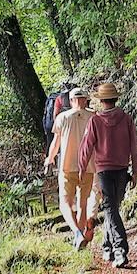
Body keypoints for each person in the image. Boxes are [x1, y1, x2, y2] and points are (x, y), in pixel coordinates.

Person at [78, 81, 137, 269]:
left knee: (111, 209)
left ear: (101, 100)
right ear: (115, 98)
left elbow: (86, 146)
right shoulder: (126, 118)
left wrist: (82, 168)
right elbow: (134, 147)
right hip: (123, 170)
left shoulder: (95, 121)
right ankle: (108, 247)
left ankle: (120, 250)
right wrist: (135, 170)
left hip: (104, 171)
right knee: (112, 209)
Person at [44, 87, 96, 250]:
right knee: (82, 203)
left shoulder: (62, 117)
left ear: (71, 100)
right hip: (88, 166)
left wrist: (49, 159)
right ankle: (79, 237)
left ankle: (77, 233)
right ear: (86, 100)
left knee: (65, 203)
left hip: (67, 166)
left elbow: (56, 142)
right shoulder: (94, 117)